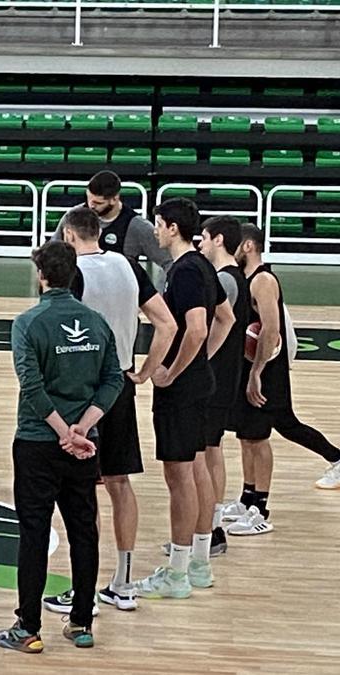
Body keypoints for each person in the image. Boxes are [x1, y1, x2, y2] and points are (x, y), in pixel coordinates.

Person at [42, 206, 175, 616]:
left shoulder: (73, 275)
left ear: (67, 236)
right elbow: (166, 324)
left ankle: (85, 591)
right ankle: (122, 584)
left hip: (85, 392)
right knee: (120, 483)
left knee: (83, 492)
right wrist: (146, 371)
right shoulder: (127, 265)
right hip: (121, 382)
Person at [0, 241, 123, 653]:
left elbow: (31, 387)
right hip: (85, 446)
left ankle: (27, 629)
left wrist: (61, 430)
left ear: (42, 276)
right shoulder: (97, 322)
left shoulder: (28, 323)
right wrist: (81, 429)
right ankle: (81, 623)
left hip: (37, 442)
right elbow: (113, 380)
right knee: (84, 532)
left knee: (34, 533)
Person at [133, 198, 235, 600]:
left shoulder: (185, 271)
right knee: (197, 471)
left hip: (181, 389)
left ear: (172, 227)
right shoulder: (205, 266)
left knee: (180, 478)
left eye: (158, 224)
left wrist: (173, 371)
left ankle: (176, 572)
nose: (155, 232)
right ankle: (198, 563)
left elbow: (194, 327)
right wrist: (201, 361)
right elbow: (224, 319)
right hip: (200, 383)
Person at [224, 224, 340, 535]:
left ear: (248, 246)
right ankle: (247, 499)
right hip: (251, 369)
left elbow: (271, 330)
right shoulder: (246, 278)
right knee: (248, 435)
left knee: (264, 435)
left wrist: (257, 373)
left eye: (236, 243)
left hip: (266, 370)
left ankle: (260, 510)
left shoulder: (262, 280)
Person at [197, 216, 250, 552]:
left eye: (203, 237)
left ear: (218, 239)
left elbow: (218, 326)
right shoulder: (235, 278)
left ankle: (211, 530)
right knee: (212, 450)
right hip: (225, 378)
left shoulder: (225, 282)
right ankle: (210, 527)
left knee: (206, 454)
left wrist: (200, 360)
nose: (199, 243)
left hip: (215, 379)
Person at [54, 170, 171, 281]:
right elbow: (52, 252)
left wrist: (163, 292)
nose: (91, 206)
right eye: (89, 199)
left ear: (114, 199)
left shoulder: (137, 226)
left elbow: (168, 261)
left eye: (97, 203)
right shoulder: (74, 217)